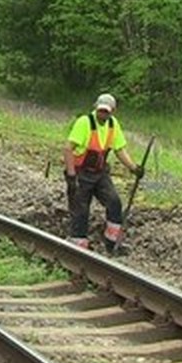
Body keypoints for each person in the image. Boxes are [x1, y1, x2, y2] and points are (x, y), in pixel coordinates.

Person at [62, 93, 145, 253]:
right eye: (101, 110)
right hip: (80, 173)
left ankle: (112, 242)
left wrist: (133, 168)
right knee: (81, 209)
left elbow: (119, 149)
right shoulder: (84, 123)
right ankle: (78, 246)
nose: (103, 114)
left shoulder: (113, 125)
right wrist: (71, 175)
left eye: (106, 111)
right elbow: (68, 149)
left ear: (113, 111)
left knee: (114, 202)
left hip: (100, 173)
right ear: (96, 108)